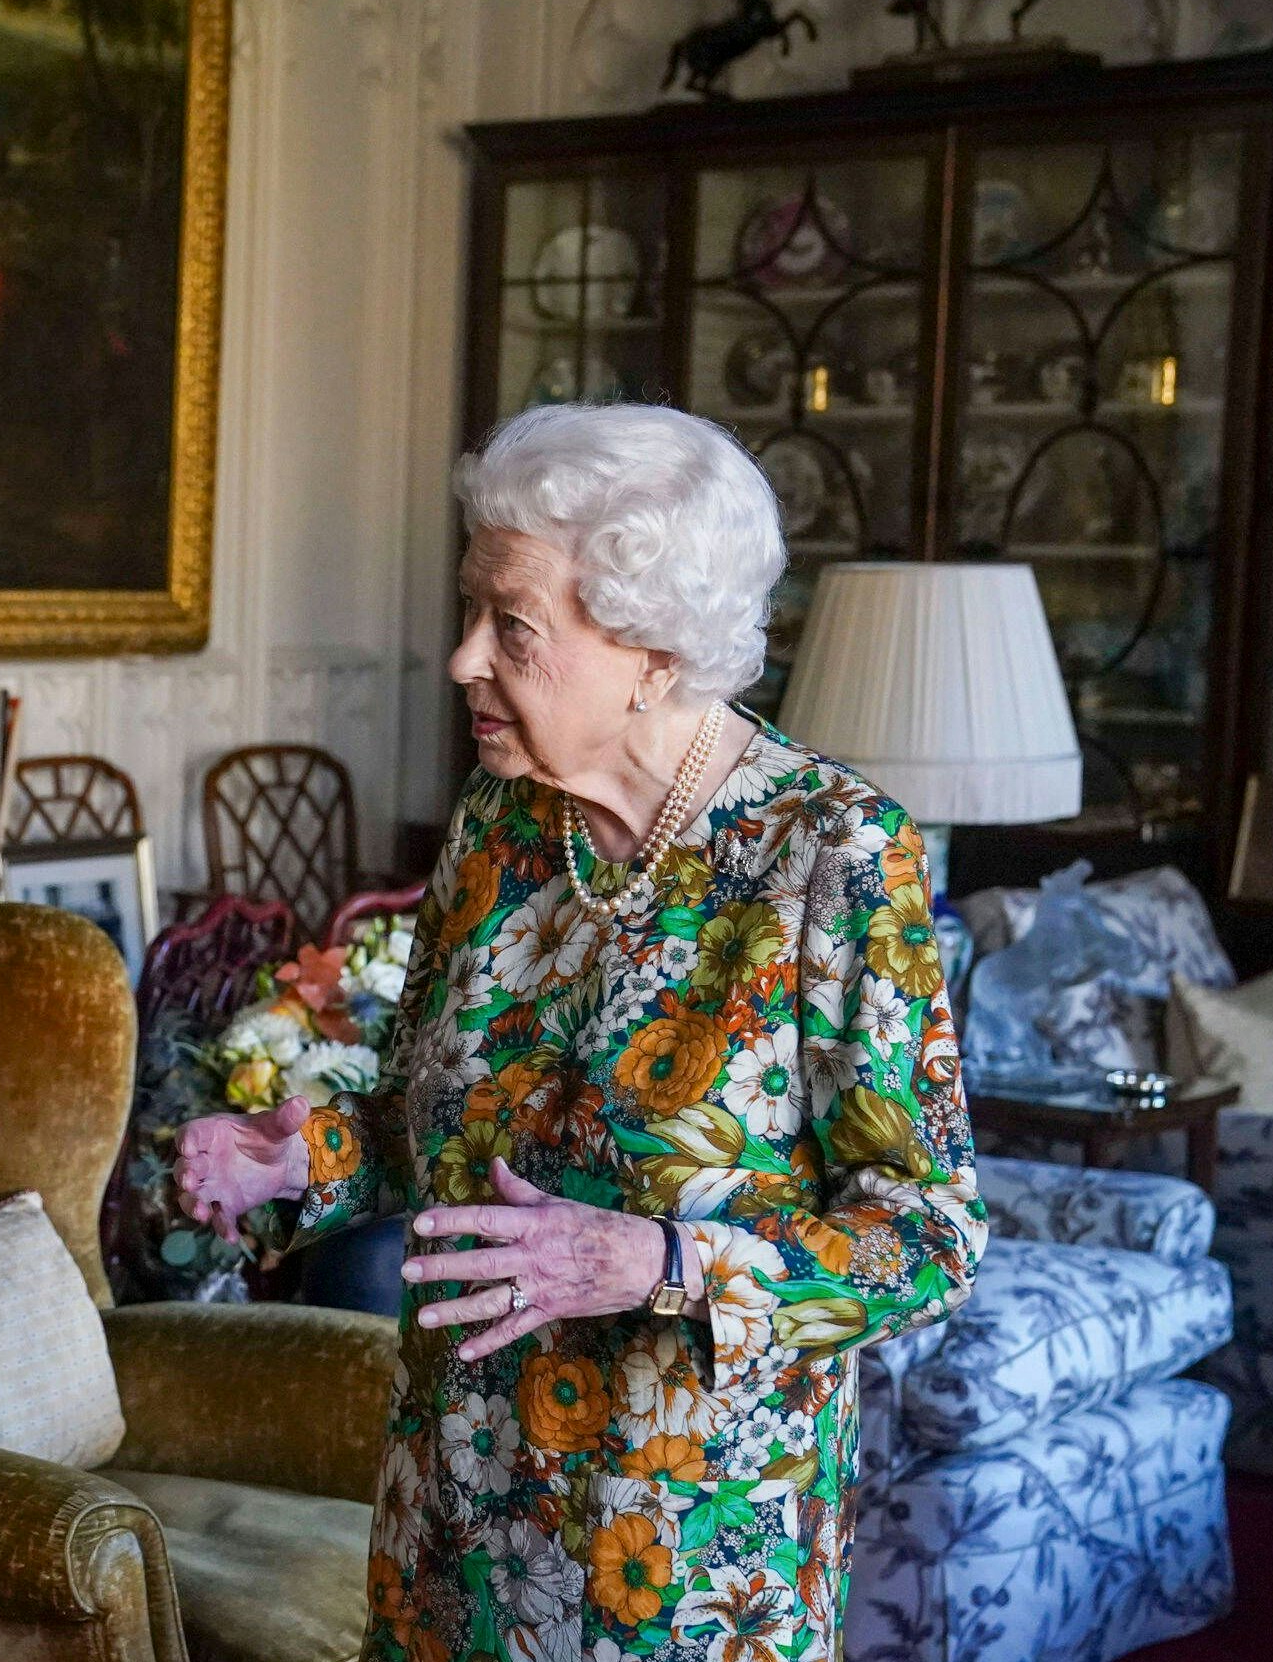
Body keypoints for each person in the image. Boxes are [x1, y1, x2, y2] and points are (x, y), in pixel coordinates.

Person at [176, 402, 984, 1662]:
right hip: (450, 1516)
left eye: (510, 625)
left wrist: (657, 1264)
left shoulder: (832, 854)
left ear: (655, 651)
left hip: (684, 1556)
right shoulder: (500, 825)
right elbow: (425, 1121)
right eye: (470, 611)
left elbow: (927, 1237)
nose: (460, 662)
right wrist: (303, 1161)